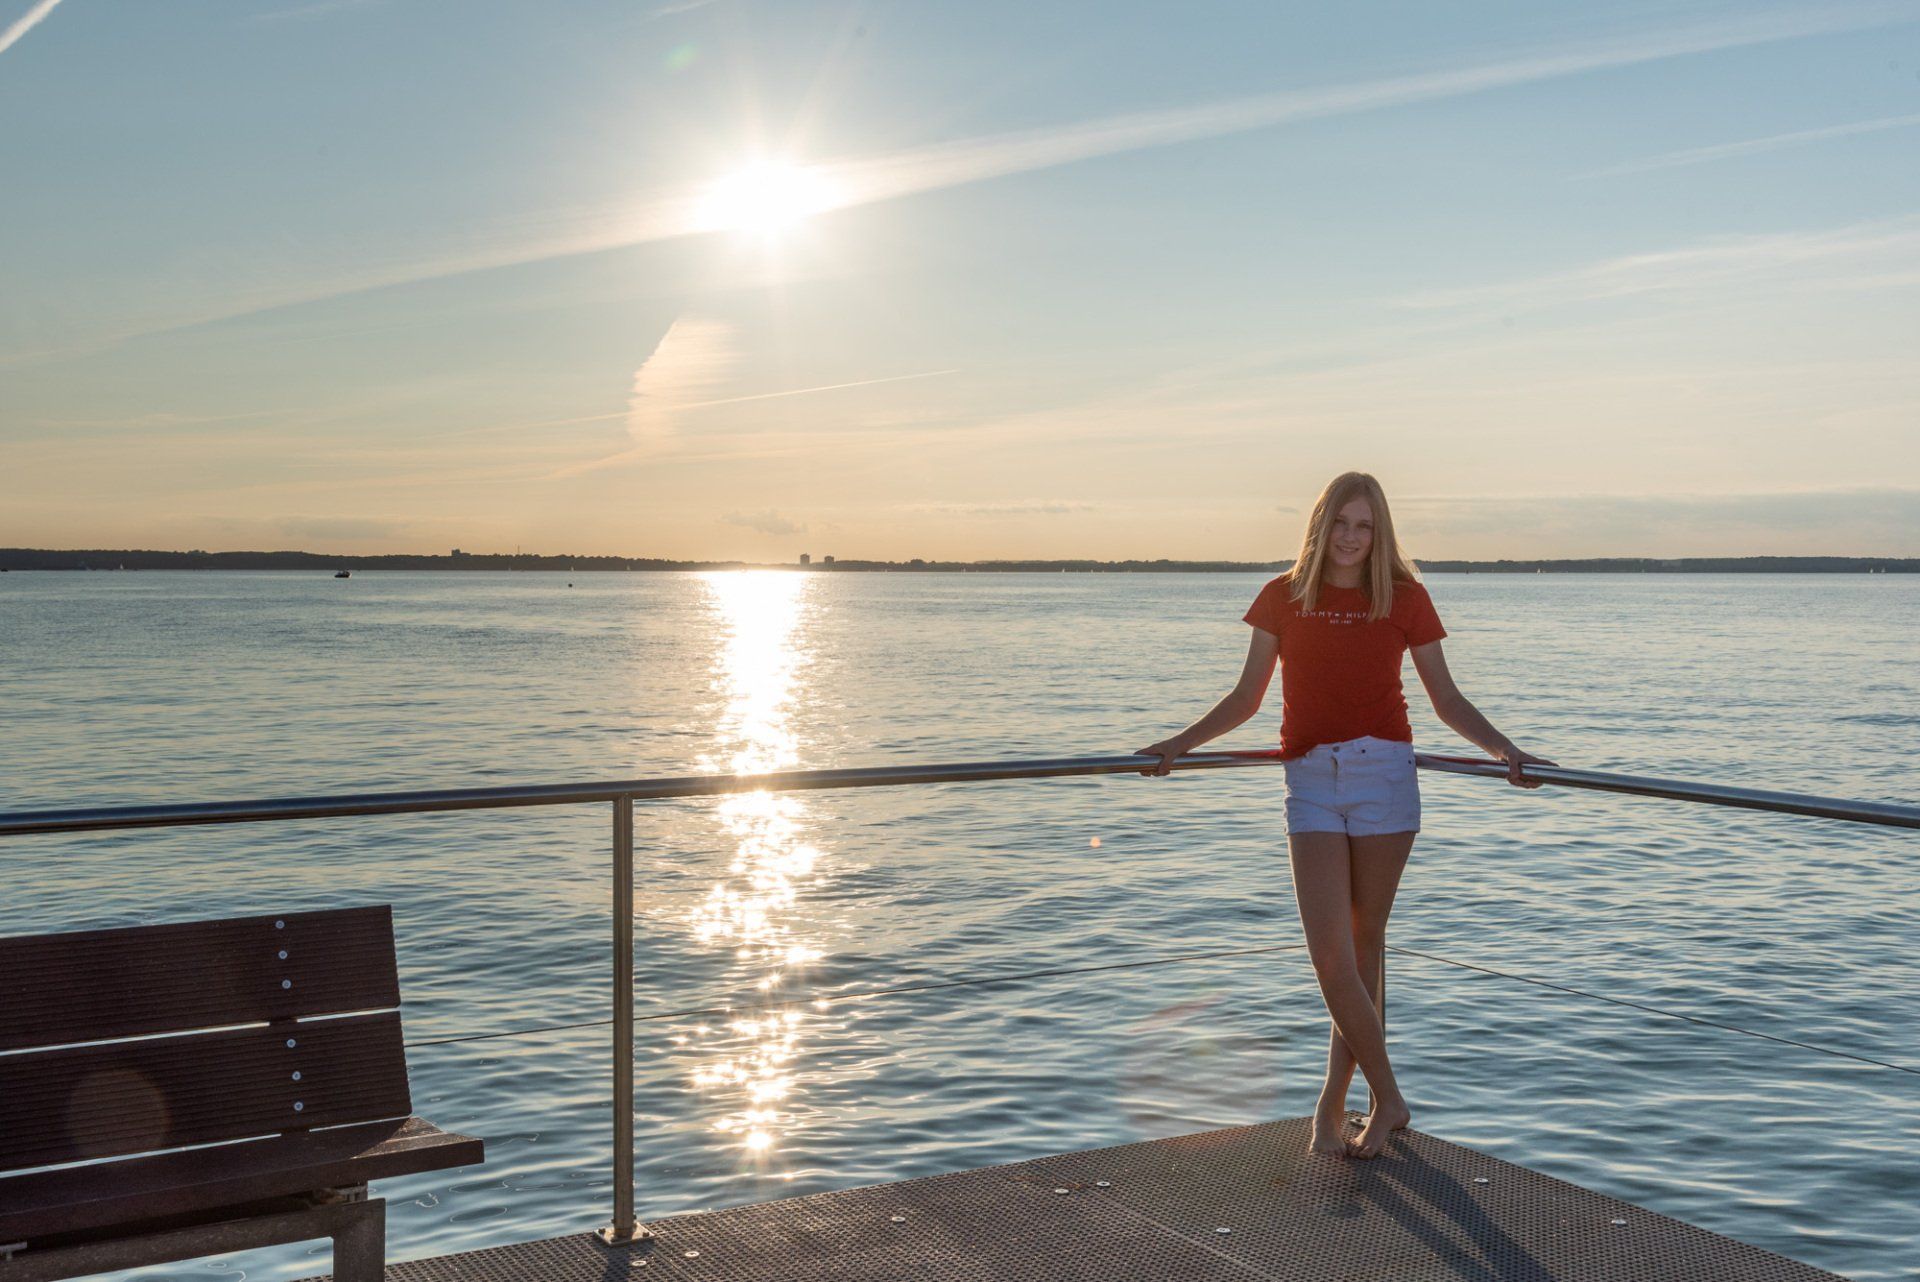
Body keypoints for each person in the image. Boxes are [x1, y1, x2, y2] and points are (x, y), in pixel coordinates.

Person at [1136, 471, 1552, 1159]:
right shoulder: (1283, 596)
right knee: (1332, 955)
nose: (1352, 538)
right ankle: (1388, 1099)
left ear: (1379, 533)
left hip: (1385, 775)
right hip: (1312, 780)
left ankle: (1333, 1109)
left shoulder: (1406, 598)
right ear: (1320, 525)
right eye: (1341, 524)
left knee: (1361, 954)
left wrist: (1507, 750)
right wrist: (1178, 744)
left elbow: (1446, 701)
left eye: (1365, 526)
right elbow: (1247, 699)